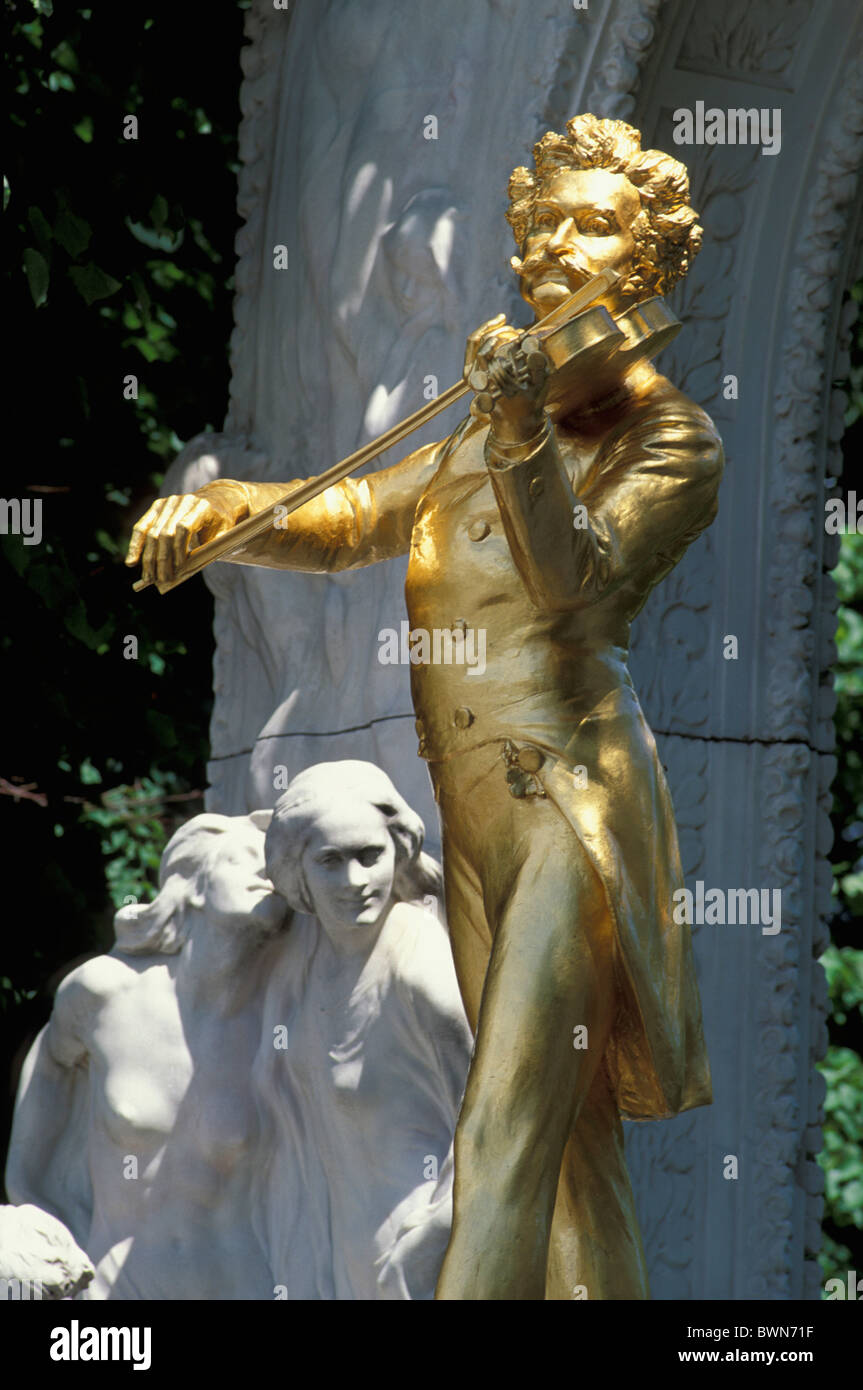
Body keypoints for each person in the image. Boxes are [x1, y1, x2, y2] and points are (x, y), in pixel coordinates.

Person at [126, 114, 723, 1299]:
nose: (555, 248)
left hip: (567, 801)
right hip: (473, 817)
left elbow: (578, 576)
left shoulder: (669, 437)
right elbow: (347, 514)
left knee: (498, 1120)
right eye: (542, 225)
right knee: (568, 1149)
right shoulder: (475, 439)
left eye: (593, 228)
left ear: (645, 269)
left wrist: (517, 436)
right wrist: (225, 511)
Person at [6, 813, 288, 1299]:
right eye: (247, 860)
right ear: (193, 885)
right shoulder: (104, 994)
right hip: (119, 1287)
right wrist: (43, 1224)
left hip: (249, 1287)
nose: (266, 875)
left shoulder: (282, 1019)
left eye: (273, 868)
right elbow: (50, 1072)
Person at [255, 760, 472, 1300]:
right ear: (296, 872)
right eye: (330, 861)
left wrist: (435, 1232)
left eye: (369, 856)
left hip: (414, 1249)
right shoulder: (305, 967)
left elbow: (496, 1111)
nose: (355, 882)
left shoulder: (416, 960)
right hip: (344, 1247)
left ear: (398, 852)